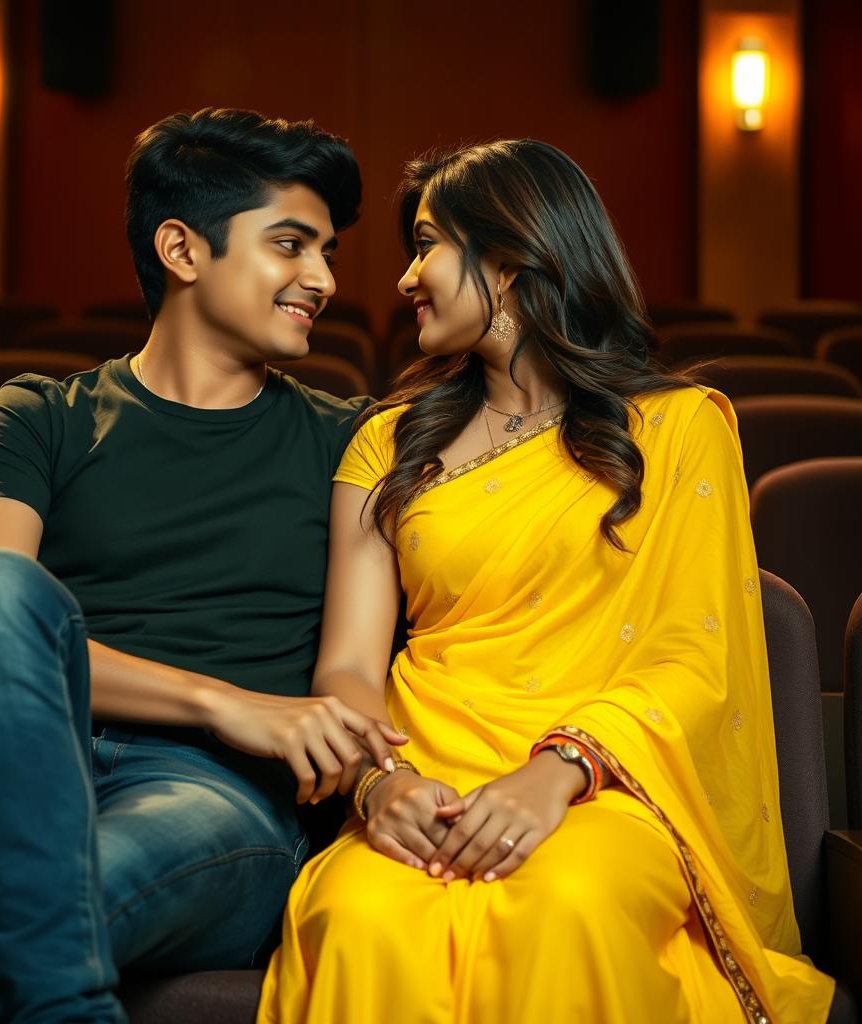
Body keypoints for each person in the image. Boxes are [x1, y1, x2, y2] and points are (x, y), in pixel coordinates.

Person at [257, 139, 834, 1023]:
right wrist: (379, 787)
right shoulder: (388, 442)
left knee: (566, 903)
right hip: (426, 774)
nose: (406, 279)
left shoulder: (679, 430)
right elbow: (346, 669)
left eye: (425, 245)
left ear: (511, 257)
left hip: (605, 785)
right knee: (360, 917)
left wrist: (558, 771)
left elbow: (694, 655)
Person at [0, 107, 405, 1023]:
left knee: (42, 893)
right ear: (182, 250)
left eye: (328, 253)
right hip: (20, 760)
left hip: (215, 800)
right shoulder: (38, 415)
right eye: (291, 245)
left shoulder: (353, 443)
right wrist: (227, 701)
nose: (325, 279)